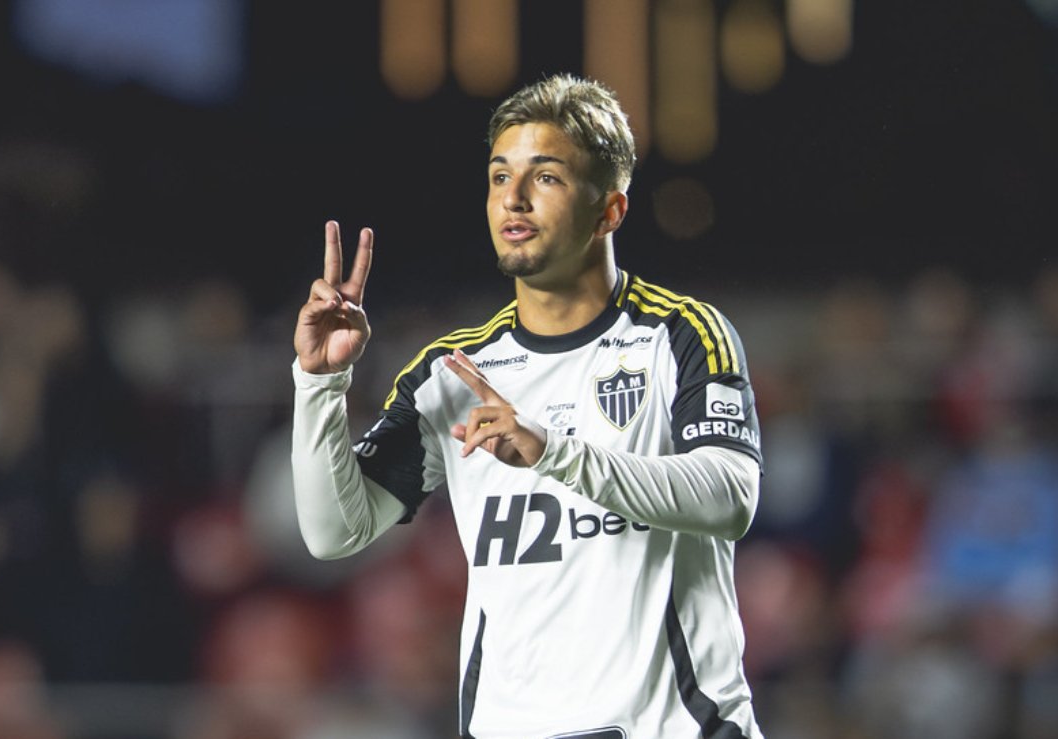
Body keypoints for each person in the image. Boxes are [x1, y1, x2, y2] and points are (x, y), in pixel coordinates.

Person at [291, 74, 765, 739]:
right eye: (497, 176)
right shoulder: (452, 370)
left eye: (545, 177)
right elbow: (334, 531)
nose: (511, 197)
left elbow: (731, 496)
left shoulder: (681, 334)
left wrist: (556, 453)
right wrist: (318, 385)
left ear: (610, 211)